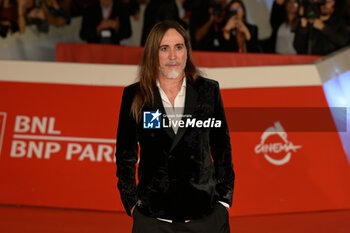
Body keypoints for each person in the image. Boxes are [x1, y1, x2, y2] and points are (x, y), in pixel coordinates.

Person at [115, 20, 235, 233]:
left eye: (178, 47)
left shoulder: (208, 91)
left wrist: (224, 201)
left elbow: (221, 148)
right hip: (153, 219)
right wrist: (132, 204)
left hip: (205, 217)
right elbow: (125, 156)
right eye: (164, 48)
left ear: (186, 52)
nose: (172, 56)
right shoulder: (135, 96)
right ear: (153, 53)